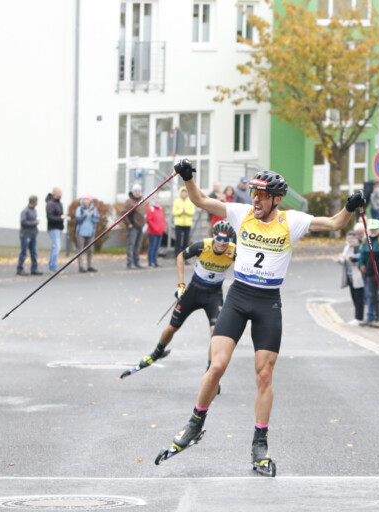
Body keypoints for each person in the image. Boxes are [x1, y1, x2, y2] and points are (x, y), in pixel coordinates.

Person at [161, 160, 364, 473]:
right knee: (217, 366)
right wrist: (187, 176)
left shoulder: (291, 221)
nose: (255, 200)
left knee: (264, 375)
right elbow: (200, 200)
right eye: (254, 194)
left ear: (276, 199)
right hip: (238, 297)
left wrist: (350, 206)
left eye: (262, 195)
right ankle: (194, 424)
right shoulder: (241, 213)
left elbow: (336, 223)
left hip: (268, 301)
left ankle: (259, 444)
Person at [130, 221, 237, 383]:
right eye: (219, 239)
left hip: (214, 295)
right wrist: (180, 284)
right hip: (194, 291)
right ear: (214, 236)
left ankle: (210, 371)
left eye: (226, 240)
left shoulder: (233, 251)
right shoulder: (202, 246)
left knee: (215, 333)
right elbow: (180, 256)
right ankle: (157, 352)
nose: (222, 243)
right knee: (172, 327)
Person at [333, 230, 365, 325]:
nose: (350, 240)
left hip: (358, 276)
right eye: (349, 239)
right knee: (354, 297)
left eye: (352, 238)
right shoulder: (346, 248)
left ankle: (359, 318)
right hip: (350, 276)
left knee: (359, 298)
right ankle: (357, 317)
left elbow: (356, 260)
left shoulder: (359, 248)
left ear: (356, 239)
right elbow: (343, 260)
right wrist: (338, 260)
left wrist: (346, 257)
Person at [74, 194, 100, 273]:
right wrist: (84, 215)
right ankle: (81, 266)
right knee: (80, 250)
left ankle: (89, 265)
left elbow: (96, 220)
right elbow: (78, 220)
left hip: (90, 232)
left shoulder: (94, 209)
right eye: (84, 199)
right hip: (80, 232)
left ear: (90, 201)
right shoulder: (79, 209)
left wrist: (92, 215)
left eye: (87, 199)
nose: (86, 201)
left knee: (90, 250)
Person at [18, 195, 42, 277]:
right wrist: (35, 223)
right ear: (34, 202)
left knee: (34, 252)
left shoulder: (34, 210)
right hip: (25, 235)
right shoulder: (25, 211)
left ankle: (34, 269)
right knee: (23, 252)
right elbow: (23, 222)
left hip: (33, 234)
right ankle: (20, 269)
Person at [124, 184, 147, 269]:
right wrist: (128, 223)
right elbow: (124, 213)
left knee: (138, 245)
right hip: (133, 227)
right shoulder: (129, 202)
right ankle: (130, 263)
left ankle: (136, 262)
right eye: (136, 191)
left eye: (139, 191)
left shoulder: (141, 201)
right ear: (133, 192)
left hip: (140, 227)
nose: (137, 193)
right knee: (131, 245)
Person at [45, 187, 68, 272]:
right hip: (53, 228)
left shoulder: (59, 203)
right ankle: (53, 266)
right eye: (59, 192)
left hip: (59, 228)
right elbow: (50, 217)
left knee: (56, 247)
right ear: (54, 193)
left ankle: (53, 265)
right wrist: (60, 218)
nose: (61, 194)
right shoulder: (50, 204)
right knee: (56, 247)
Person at [172, 186, 195, 257]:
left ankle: (184, 255)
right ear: (180, 193)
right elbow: (174, 212)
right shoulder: (177, 201)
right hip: (178, 224)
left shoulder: (190, 201)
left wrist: (185, 211)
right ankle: (177, 255)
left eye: (185, 193)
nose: (184, 194)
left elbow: (192, 212)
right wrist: (181, 211)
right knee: (178, 240)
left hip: (187, 224)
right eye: (183, 193)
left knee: (186, 241)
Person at [146, 198, 166, 268]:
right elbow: (149, 220)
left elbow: (162, 218)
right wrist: (155, 228)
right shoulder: (151, 208)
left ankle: (155, 261)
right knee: (152, 246)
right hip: (153, 231)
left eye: (157, 199)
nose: (156, 200)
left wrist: (163, 227)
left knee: (157, 247)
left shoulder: (160, 208)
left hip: (160, 231)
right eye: (155, 199)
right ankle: (150, 261)